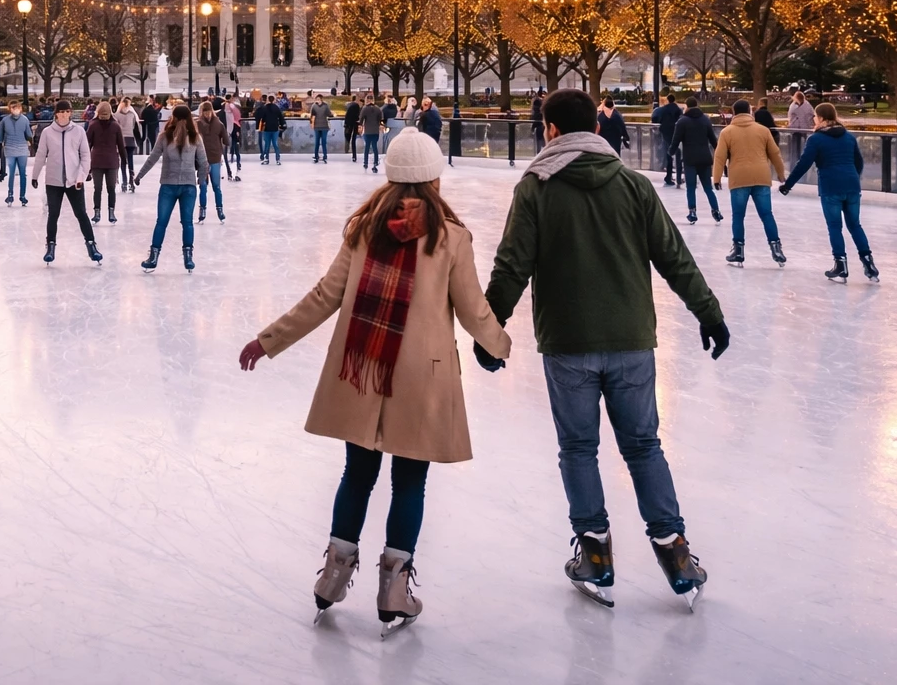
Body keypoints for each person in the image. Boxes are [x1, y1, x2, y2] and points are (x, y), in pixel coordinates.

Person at [237, 128, 511, 634]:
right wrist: (501, 346)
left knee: (357, 474)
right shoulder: (451, 237)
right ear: (432, 178)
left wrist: (268, 340)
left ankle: (333, 579)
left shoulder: (365, 229)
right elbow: (473, 309)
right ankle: (394, 589)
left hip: (363, 366)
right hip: (422, 379)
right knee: (410, 482)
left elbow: (324, 296)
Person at [484, 89, 728, 612]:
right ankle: (675, 552)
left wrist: (491, 329)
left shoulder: (537, 187)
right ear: (595, 126)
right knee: (643, 446)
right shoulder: (632, 185)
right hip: (630, 340)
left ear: (550, 129)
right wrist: (709, 312)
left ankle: (595, 554)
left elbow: (511, 266)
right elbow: (674, 257)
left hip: (568, 343)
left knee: (578, 448)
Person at [780, 103, 878, 283]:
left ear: (822, 118)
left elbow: (804, 163)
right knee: (855, 225)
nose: (814, 119)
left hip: (831, 187)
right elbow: (859, 162)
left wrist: (788, 184)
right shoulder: (848, 137)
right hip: (852, 186)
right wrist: (852, 177)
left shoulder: (816, 139)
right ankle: (869, 264)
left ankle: (840, 265)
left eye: (815, 116)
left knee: (835, 226)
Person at [712, 99, 787, 267]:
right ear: (750, 112)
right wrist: (781, 175)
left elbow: (719, 157)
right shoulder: (763, 130)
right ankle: (776, 248)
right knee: (767, 214)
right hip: (761, 176)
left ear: (734, 113)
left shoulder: (727, 132)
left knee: (738, 216)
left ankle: (738, 250)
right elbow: (775, 154)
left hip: (739, 178)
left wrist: (716, 178)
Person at [134, 104, 208, 271]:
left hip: (168, 185)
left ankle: (153, 258)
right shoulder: (196, 137)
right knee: (187, 223)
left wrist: (139, 176)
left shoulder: (165, 136)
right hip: (188, 186)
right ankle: (188, 258)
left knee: (161, 222)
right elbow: (204, 163)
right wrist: (200, 181)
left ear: (172, 117)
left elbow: (152, 158)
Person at [31, 100, 102, 264]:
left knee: (81, 214)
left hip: (74, 181)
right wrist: (35, 175)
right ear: (56, 113)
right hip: (53, 181)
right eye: (60, 112)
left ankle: (91, 245)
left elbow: (85, 155)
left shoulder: (78, 131)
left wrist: (81, 176)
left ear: (70, 113)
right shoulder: (48, 132)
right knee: (53, 215)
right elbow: (41, 155)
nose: (63, 115)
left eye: (66, 112)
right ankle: (50, 246)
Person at [671, 97, 723, 224]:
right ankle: (716, 210)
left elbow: (676, 139)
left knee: (691, 187)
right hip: (705, 158)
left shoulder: (682, 121)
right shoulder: (705, 119)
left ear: (687, 107)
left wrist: (670, 152)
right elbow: (713, 139)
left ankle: (692, 211)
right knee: (707, 187)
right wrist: (720, 152)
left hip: (690, 159)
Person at [86, 100, 126, 224]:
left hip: (97, 161)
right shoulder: (115, 126)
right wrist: (125, 163)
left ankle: (97, 213)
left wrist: (85, 162)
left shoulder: (93, 125)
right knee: (111, 189)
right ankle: (111, 213)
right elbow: (121, 146)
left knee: (97, 188)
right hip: (111, 162)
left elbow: (87, 145)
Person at [195, 100, 230, 223]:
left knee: (216, 186)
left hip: (214, 159)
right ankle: (202, 210)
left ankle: (219, 209)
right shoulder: (197, 124)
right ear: (202, 112)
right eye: (205, 112)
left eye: (208, 111)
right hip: (202, 160)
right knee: (203, 187)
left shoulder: (219, 124)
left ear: (212, 111)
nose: (207, 114)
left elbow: (226, 141)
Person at [0, 100, 33, 206]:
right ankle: (11, 194)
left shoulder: (24, 120)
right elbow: (0, 136)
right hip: (10, 149)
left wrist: (29, 140)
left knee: (22, 173)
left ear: (20, 108)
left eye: (17, 107)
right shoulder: (5, 121)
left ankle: (22, 196)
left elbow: (28, 134)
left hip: (21, 148)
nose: (15, 109)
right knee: (12, 173)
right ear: (10, 109)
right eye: (13, 108)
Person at [654, 93, 684, 187]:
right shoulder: (678, 110)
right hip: (675, 135)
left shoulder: (663, 110)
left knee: (668, 155)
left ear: (668, 100)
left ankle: (669, 176)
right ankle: (678, 177)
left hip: (666, 134)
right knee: (678, 155)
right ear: (674, 100)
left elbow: (656, 119)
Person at [115, 97, 141, 191]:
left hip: (122, 140)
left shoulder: (116, 115)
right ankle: (131, 181)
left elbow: (116, 129)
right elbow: (134, 127)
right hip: (131, 140)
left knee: (123, 162)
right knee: (130, 162)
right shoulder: (132, 115)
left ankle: (124, 182)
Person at [256, 94, 284, 165]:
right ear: (274, 100)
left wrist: (258, 127)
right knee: (275, 144)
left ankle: (266, 159)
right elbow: (281, 117)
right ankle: (277, 159)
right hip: (275, 128)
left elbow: (260, 117)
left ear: (268, 100)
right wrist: (282, 125)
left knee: (267, 144)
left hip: (267, 128)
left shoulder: (264, 108)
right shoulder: (277, 108)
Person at [360, 95, 384, 173]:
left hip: (367, 131)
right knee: (374, 147)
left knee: (367, 147)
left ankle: (366, 163)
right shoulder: (378, 109)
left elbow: (361, 119)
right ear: (373, 100)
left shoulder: (364, 109)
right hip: (375, 131)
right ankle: (375, 163)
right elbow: (381, 119)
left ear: (367, 100)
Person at [309, 94, 334, 163]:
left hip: (324, 127)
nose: (318, 101)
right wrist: (311, 123)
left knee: (323, 142)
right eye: (317, 99)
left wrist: (331, 114)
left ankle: (324, 156)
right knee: (317, 142)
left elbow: (329, 114)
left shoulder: (325, 106)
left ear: (321, 99)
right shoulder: (314, 106)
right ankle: (316, 156)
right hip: (317, 127)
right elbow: (311, 116)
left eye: (319, 99)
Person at [224, 95, 243, 178]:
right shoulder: (234, 107)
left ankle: (231, 158)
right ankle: (237, 162)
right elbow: (238, 117)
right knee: (236, 145)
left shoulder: (227, 106)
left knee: (230, 145)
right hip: (236, 126)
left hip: (230, 127)